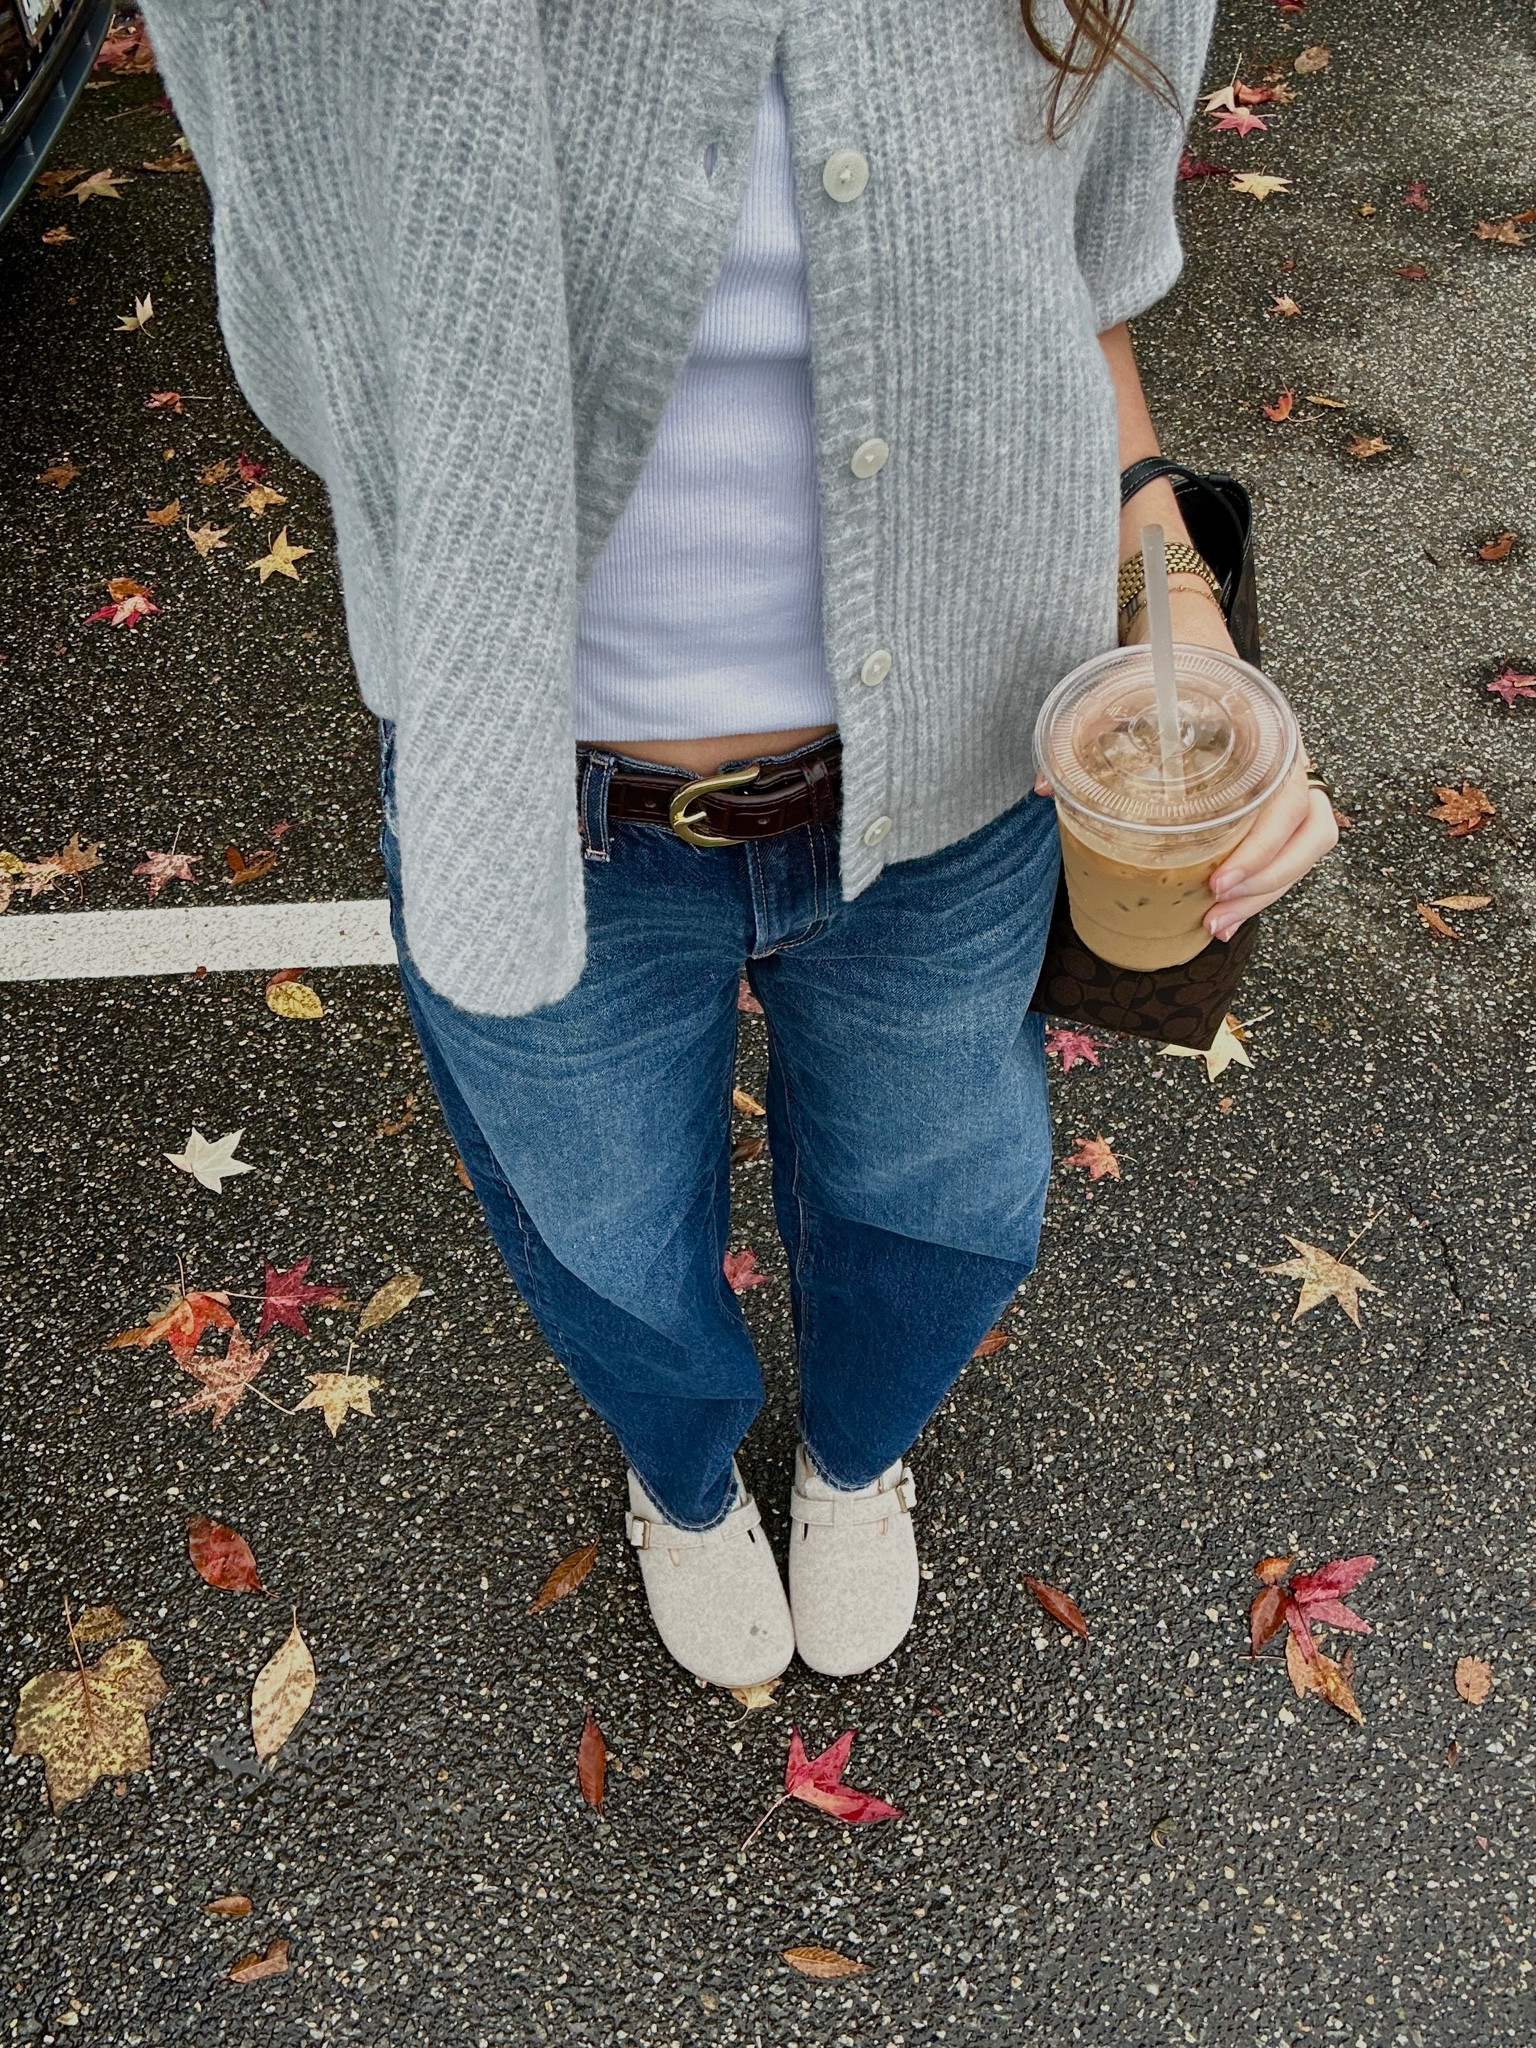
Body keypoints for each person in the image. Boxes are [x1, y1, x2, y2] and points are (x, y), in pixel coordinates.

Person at [143, 0, 1336, 1689]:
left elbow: (1080, 285)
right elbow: (310, 305)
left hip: (965, 771)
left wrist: (1178, 594)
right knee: (606, 1239)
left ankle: (857, 1458)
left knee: (941, 1204)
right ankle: (686, 1483)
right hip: (544, 795)